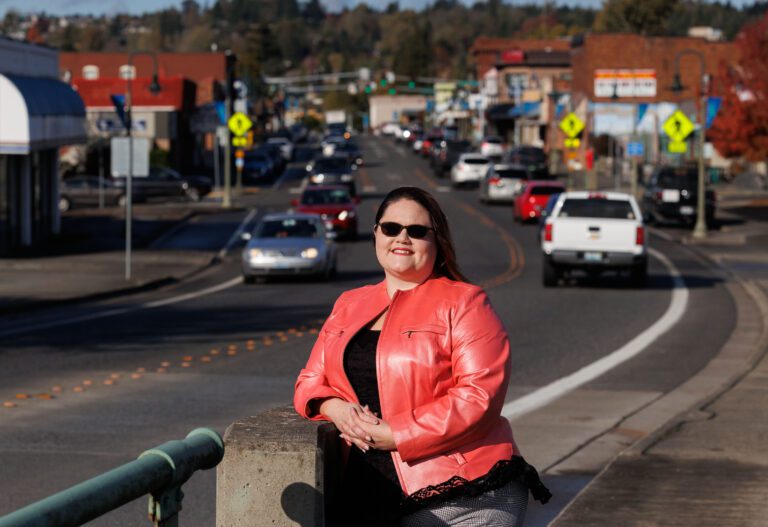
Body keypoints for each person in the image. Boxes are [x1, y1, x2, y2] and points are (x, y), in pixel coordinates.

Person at [294, 186, 550, 526]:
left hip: (459, 491)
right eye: (391, 228)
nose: (402, 238)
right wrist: (336, 409)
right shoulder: (348, 304)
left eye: (416, 231)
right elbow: (309, 381)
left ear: (436, 241)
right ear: (376, 234)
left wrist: (397, 434)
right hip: (365, 486)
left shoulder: (465, 302)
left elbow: (479, 396)